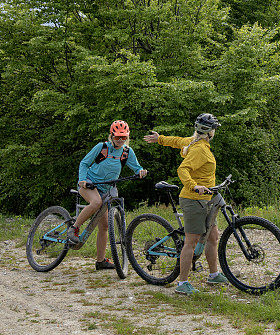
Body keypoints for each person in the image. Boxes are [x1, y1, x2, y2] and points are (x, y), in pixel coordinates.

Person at [144, 113, 228, 294]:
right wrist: (194, 185)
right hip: (193, 199)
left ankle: (213, 275)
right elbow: (183, 169)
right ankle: (182, 284)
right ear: (211, 132)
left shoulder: (195, 142)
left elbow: (177, 141)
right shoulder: (199, 150)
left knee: (213, 236)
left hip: (207, 197)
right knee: (191, 241)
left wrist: (160, 139)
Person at [67, 120, 147, 269]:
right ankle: (74, 228)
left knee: (104, 227)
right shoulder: (102, 147)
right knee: (96, 203)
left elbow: (137, 167)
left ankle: (100, 261)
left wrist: (141, 171)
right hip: (89, 184)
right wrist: (82, 180)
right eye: (117, 137)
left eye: (124, 137)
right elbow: (84, 163)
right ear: (111, 136)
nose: (120, 140)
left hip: (107, 189)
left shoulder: (127, 152)